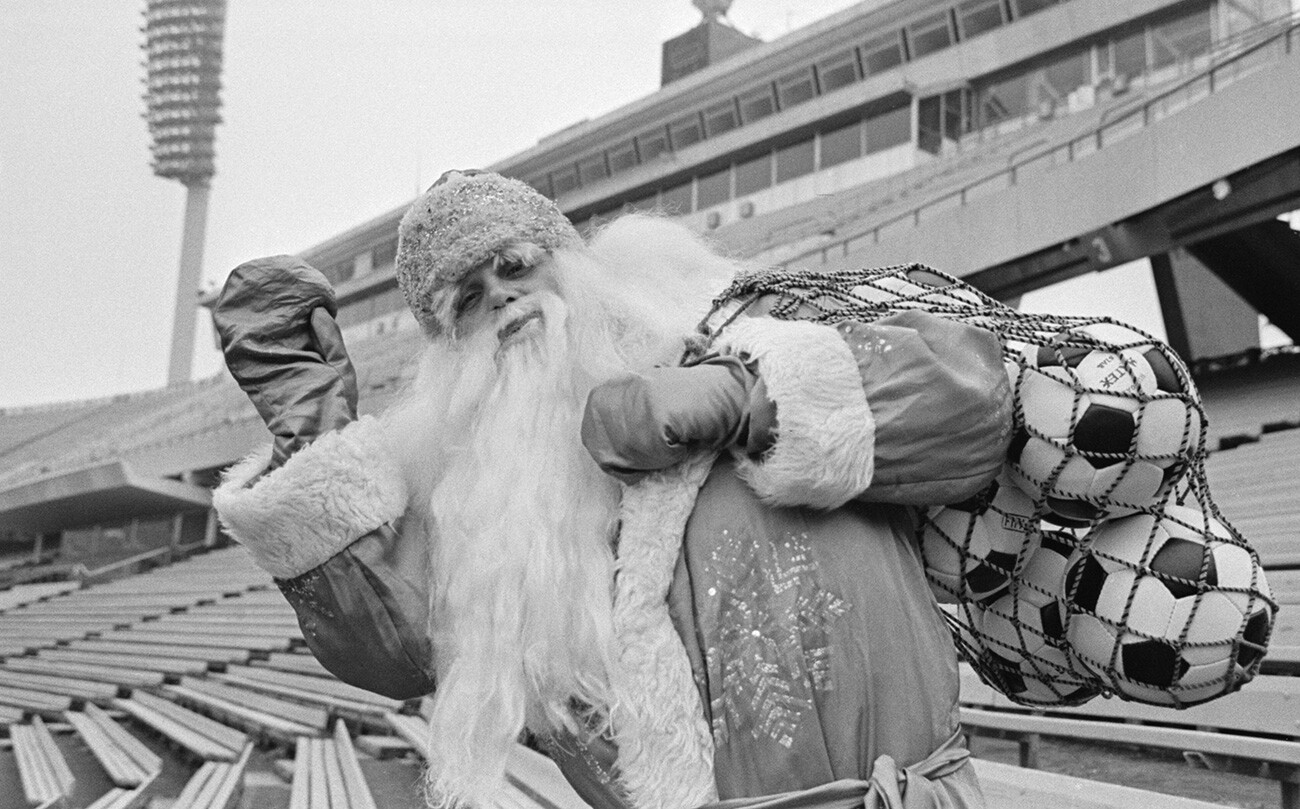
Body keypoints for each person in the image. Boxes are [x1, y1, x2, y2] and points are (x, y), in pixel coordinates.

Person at [211, 170, 1013, 809]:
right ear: (451, 351)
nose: (501, 295)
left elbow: (973, 407)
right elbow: (391, 648)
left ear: (574, 263)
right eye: (465, 301)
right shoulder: (490, 533)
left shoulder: (738, 322)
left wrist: (748, 398)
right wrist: (312, 434)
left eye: (515, 263)